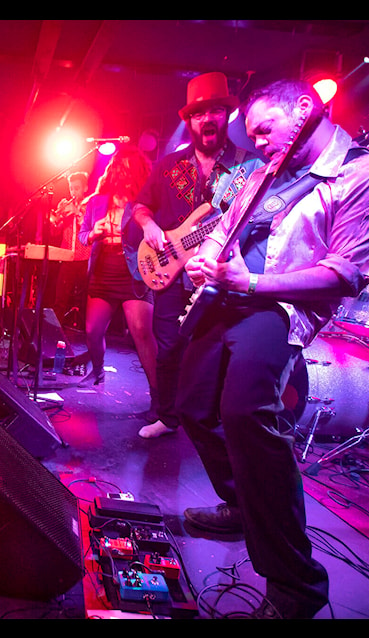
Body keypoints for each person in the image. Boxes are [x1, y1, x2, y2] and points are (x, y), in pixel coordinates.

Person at [178, 78, 369, 618]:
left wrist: (247, 284)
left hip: (275, 307)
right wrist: (204, 257)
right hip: (225, 295)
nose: (256, 142)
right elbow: (223, 228)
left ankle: (296, 586)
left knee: (246, 412)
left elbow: (344, 276)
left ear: (304, 108)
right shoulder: (261, 174)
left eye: (263, 128)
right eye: (250, 134)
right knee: (191, 405)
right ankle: (241, 505)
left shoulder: (367, 173)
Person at [126, 71, 265, 438]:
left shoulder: (250, 167)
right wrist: (150, 226)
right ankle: (168, 417)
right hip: (170, 267)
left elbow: (262, 220)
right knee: (168, 347)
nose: (207, 119)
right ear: (188, 121)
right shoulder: (168, 165)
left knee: (215, 352)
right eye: (199, 113)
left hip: (220, 274)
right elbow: (140, 206)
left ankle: (210, 423)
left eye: (215, 111)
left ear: (226, 116)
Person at [77, 146, 158, 394]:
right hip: (103, 270)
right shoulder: (96, 202)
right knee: (92, 331)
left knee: (142, 333)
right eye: (117, 167)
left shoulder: (145, 203)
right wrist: (93, 234)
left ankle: (158, 395)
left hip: (135, 272)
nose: (120, 173)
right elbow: (82, 236)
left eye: (126, 169)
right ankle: (98, 370)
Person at [51, 172, 92, 328]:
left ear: (85, 188)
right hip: (67, 256)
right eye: (71, 188)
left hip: (85, 257)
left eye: (77, 188)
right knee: (60, 298)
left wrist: (76, 213)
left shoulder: (90, 205)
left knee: (85, 300)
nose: (73, 192)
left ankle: (85, 333)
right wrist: (59, 218)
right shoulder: (65, 205)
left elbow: (90, 229)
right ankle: (56, 331)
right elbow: (55, 231)